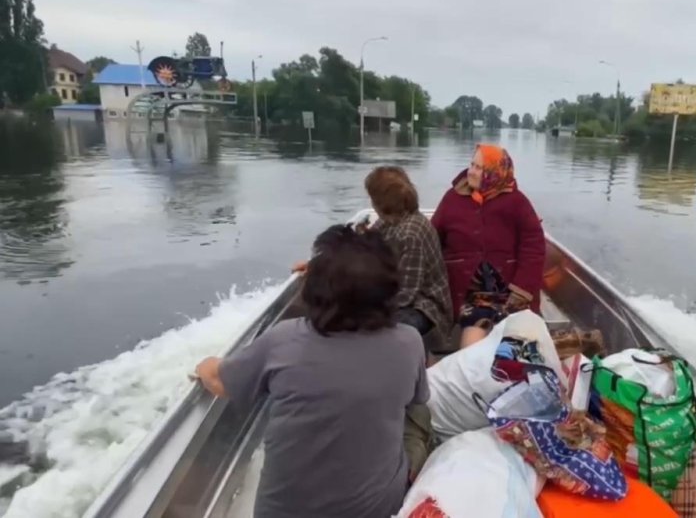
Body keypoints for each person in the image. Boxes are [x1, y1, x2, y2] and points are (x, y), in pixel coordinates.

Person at [194, 225, 428, 518]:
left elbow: (219, 381)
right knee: (419, 414)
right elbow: (416, 399)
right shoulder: (409, 342)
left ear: (315, 288)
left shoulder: (283, 339)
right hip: (374, 510)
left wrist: (204, 365)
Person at [431, 144, 545, 345]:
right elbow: (432, 239)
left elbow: (533, 248)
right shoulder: (452, 198)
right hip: (470, 294)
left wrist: (521, 291)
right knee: (471, 349)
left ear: (494, 173)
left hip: (510, 294)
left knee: (517, 345)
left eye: (478, 167)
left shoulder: (517, 202)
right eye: (471, 164)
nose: (470, 172)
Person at [363, 166, 453, 349]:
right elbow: (363, 246)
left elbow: (406, 294)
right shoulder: (389, 220)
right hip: (398, 294)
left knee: (385, 329)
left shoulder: (412, 234)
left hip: (425, 306)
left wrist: (368, 308)